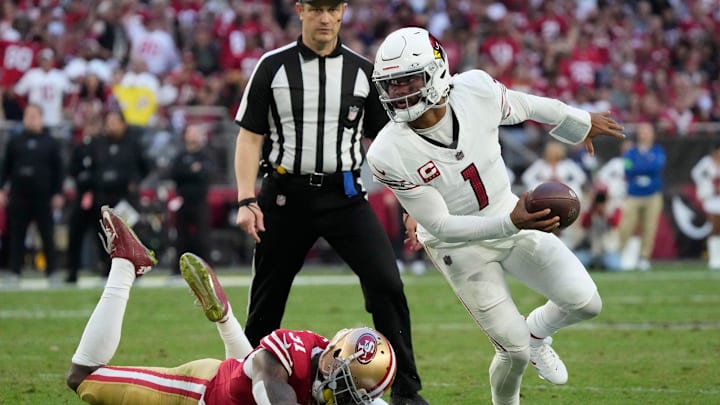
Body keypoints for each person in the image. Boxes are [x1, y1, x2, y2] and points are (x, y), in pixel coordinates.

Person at [366, 27, 625, 405]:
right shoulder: (386, 152)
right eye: (391, 85)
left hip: (506, 209)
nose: (399, 93)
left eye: (408, 81)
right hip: (459, 245)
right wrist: (512, 223)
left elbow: (530, 106)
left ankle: (538, 334)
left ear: (437, 72)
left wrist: (578, 122)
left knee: (587, 303)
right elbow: (438, 225)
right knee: (513, 352)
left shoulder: (475, 91)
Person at [232, 2, 427, 404]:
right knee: (267, 300)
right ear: (300, 9)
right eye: (316, 8)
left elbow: (390, 145)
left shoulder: (362, 71)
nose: (324, 18)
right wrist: (246, 199)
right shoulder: (272, 67)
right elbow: (250, 136)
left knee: (387, 284)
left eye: (332, 8)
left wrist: (412, 205)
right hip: (284, 196)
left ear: (343, 12)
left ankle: (407, 392)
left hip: (344, 196)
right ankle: (240, 386)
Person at [66, 205, 396, 405]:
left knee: (245, 371)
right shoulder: (292, 350)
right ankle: (126, 263)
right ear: (332, 348)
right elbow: (268, 383)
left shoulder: (355, 389)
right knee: (83, 378)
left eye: (346, 385)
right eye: (333, 366)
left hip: (239, 382)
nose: (331, 375)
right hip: (196, 393)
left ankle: (225, 318)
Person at [0, 104, 65, 286]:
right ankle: (14, 272)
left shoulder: (50, 142)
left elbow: (58, 170)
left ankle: (52, 272)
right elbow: (5, 168)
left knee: (47, 235)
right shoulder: (15, 141)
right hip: (19, 196)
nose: (31, 119)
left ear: (41, 118)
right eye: (28, 115)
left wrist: (58, 193)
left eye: (35, 115)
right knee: (16, 236)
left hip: (43, 197)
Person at [616, 122, 666, 271]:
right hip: (633, 194)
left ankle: (644, 258)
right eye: (642, 131)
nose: (644, 134)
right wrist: (643, 167)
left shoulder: (658, 151)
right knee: (626, 226)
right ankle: (621, 254)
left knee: (649, 228)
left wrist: (639, 167)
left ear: (653, 134)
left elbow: (656, 166)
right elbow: (627, 170)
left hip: (652, 195)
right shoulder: (630, 152)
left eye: (647, 131)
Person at [169, 124, 213, 280]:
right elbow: (174, 173)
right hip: (183, 200)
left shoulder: (205, 155)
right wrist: (192, 171)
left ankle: (206, 270)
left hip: (200, 201)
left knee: (202, 237)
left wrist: (191, 173)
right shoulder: (180, 156)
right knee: (181, 237)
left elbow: (207, 174)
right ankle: (177, 270)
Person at [690, 143, 720, 270]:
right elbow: (695, 173)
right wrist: (706, 185)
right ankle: (714, 258)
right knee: (714, 228)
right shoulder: (707, 162)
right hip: (712, 199)